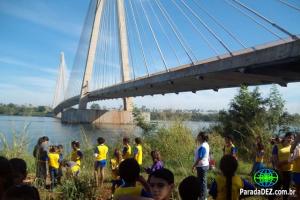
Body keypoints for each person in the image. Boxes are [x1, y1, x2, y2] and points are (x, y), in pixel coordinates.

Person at [271, 132, 294, 200]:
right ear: (285, 137)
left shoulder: (293, 148)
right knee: (275, 188)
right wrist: (280, 170)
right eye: (289, 137)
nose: (290, 139)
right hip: (278, 170)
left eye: (292, 138)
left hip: (289, 172)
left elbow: (293, 159)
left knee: (286, 189)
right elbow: (275, 160)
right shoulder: (277, 146)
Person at [192, 131, 209, 200]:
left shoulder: (203, 146)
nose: (197, 137)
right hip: (202, 165)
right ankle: (203, 196)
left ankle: (203, 197)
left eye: (198, 136)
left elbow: (200, 157)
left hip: (202, 166)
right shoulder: (204, 144)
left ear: (201, 137)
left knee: (202, 183)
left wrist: (194, 166)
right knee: (202, 182)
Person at [290, 132, 300, 199]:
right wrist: (297, 139)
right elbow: (291, 151)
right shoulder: (296, 145)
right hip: (297, 170)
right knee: (298, 187)